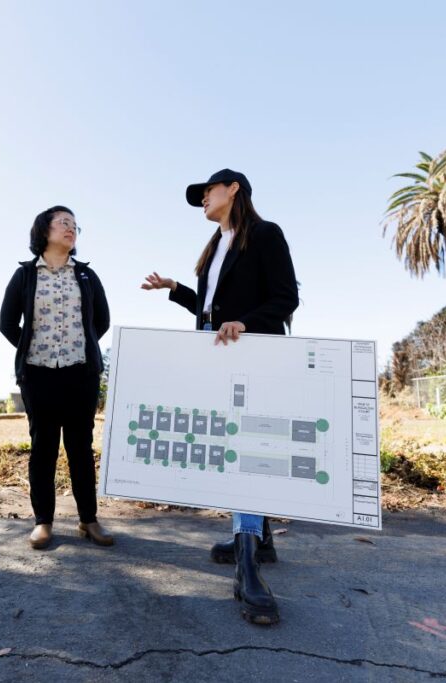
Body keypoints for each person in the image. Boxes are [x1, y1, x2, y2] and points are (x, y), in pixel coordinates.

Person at [142, 169, 298, 625]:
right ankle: (257, 539)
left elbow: (285, 298)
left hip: (253, 357)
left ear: (233, 189)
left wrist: (245, 324)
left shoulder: (265, 234)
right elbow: (211, 311)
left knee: (245, 452)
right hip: (215, 358)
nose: (203, 200)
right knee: (236, 448)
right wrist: (175, 290)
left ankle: (247, 567)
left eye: (208, 191)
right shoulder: (215, 247)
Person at [0, 205, 113, 550]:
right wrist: (33, 348)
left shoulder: (86, 276)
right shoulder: (25, 275)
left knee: (80, 447)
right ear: (43, 230)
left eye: (75, 225)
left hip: (81, 374)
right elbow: (7, 323)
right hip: (38, 376)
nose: (71, 229)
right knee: (43, 448)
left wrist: (81, 348)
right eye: (64, 223)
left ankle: (88, 520)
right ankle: (43, 522)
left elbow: (102, 321)